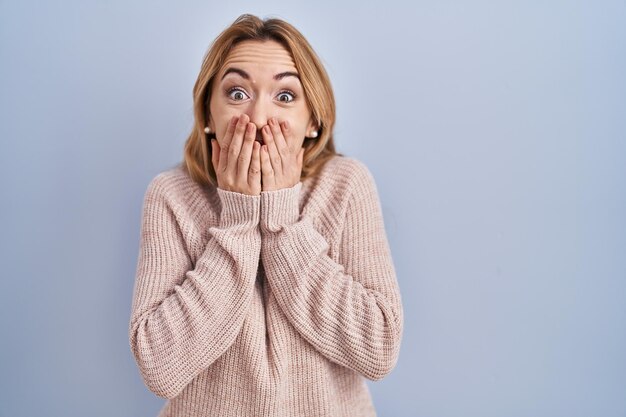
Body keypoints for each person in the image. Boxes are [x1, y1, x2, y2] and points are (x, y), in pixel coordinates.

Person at [128, 13, 404, 417]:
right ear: (207, 115)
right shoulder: (171, 195)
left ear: (313, 120)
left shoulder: (346, 185)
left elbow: (377, 348)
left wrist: (281, 222)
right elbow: (160, 368)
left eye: (285, 96)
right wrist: (239, 222)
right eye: (237, 93)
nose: (257, 118)